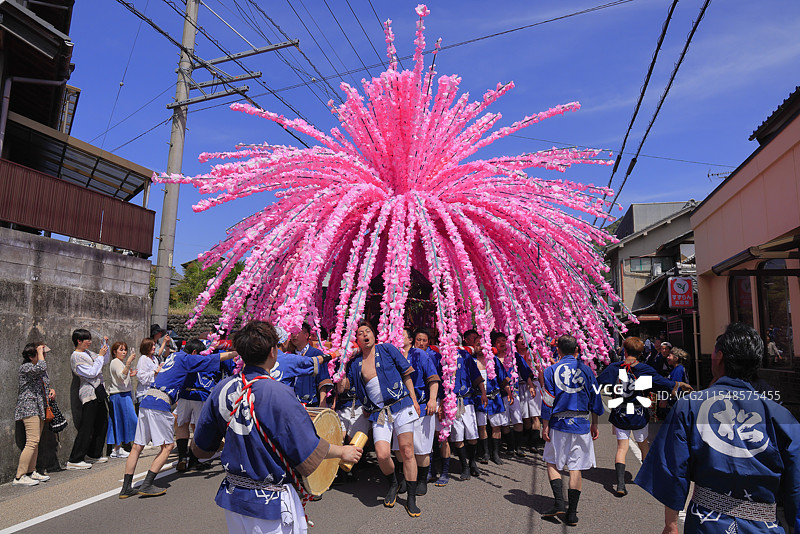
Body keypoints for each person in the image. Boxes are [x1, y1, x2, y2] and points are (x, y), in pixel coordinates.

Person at [191, 320, 362, 534]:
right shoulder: (278, 393)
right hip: (269, 502)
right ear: (273, 351)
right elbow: (307, 447)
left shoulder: (222, 389)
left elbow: (202, 447)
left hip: (234, 497)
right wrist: (343, 451)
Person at [636, 323, 800, 534]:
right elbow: (796, 486)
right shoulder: (781, 415)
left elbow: (673, 470)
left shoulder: (690, 405)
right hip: (765, 526)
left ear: (720, 356)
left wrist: (671, 523)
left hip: (707, 523)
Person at [118, 338, 236, 498]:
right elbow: (211, 359)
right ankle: (147, 484)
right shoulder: (187, 358)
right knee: (167, 447)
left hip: (147, 400)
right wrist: (236, 352)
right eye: (198, 355)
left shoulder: (173, 357)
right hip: (160, 403)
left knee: (137, 446)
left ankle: (126, 488)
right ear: (194, 353)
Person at [338, 320, 422, 517]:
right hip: (378, 412)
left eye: (368, 330)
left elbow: (406, 374)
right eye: (360, 332)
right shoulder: (355, 362)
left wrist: (414, 399)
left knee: (407, 450)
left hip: (401, 405)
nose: (365, 334)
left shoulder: (387, 349)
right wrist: (340, 368)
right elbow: (346, 386)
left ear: (374, 335)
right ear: (356, 339)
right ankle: (393, 483)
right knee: (382, 454)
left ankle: (411, 498)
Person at [596, 337, 692, 496]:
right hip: (639, 413)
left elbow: (598, 383)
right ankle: (650, 478)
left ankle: (620, 484)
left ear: (624, 351)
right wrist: (678, 385)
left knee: (622, 447)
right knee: (643, 445)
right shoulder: (645, 369)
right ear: (640, 353)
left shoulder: (614, 367)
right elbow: (662, 382)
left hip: (621, 412)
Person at [541, 334, 604, 526]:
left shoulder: (550, 370)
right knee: (575, 467)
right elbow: (596, 398)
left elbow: (547, 401)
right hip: (581, 423)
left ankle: (559, 502)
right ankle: (572, 513)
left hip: (559, 423)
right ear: (577, 350)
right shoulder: (586, 371)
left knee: (551, 462)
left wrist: (545, 426)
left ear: (557, 350)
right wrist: (595, 422)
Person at [395, 327, 439, 494]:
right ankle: (406, 478)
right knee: (400, 449)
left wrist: (433, 399)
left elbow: (433, 378)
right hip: (399, 408)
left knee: (421, 448)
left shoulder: (420, 355)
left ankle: (422, 480)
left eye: (402, 335)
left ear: (410, 340)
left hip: (420, 406)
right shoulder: (393, 355)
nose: (399, 338)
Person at [68, 329, 111, 469]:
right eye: (86, 339)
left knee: (102, 422)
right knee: (86, 425)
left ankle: (93, 454)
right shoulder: (76, 356)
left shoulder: (88, 353)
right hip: (88, 392)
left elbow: (104, 361)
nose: (89, 342)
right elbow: (92, 372)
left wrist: (105, 346)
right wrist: (100, 356)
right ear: (78, 341)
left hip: (98, 391)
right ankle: (75, 459)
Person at [14, 343, 54, 486]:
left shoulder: (37, 368)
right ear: (31, 356)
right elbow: (41, 367)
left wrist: (51, 390)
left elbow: (43, 380)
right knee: (32, 441)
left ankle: (31, 471)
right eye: (41, 354)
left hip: (39, 406)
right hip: (29, 407)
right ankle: (20, 475)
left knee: (36, 441)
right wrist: (39, 351)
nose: (44, 357)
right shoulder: (26, 367)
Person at [445, 338, 485, 481]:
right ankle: (464, 466)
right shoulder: (443, 357)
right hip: (452, 402)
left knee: (472, 434)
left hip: (467, 400)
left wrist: (483, 392)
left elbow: (476, 375)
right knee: (458, 435)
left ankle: (472, 461)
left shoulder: (465, 355)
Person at [472, 334, 510, 465]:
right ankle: (485, 453)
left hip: (494, 398)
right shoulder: (471, 361)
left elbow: (504, 378)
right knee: (481, 426)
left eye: (482, 345)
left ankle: (495, 453)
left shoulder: (493, 360)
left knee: (496, 427)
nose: (480, 347)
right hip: (478, 398)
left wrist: (509, 392)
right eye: (478, 344)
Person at [106, 342, 138, 459]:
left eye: (125, 350)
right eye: (121, 350)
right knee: (127, 420)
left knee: (123, 421)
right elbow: (121, 376)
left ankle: (118, 448)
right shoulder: (115, 362)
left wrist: (130, 373)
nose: (124, 352)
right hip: (120, 395)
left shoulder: (119, 362)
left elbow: (122, 377)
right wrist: (129, 363)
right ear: (115, 352)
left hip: (123, 394)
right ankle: (118, 448)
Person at [289, 323, 333, 407]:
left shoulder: (317, 353)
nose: (293, 336)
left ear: (306, 335)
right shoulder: (290, 355)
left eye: (297, 332)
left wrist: (322, 403)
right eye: (292, 333)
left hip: (311, 403)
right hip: (293, 404)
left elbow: (323, 380)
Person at [514, 333, 544, 452]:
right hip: (520, 386)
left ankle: (534, 442)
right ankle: (526, 438)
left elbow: (540, 370)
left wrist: (542, 386)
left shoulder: (533, 353)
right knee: (525, 416)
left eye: (524, 338)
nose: (522, 340)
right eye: (520, 338)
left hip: (535, 384)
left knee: (535, 415)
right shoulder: (513, 354)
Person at [135, 338, 162, 410]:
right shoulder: (143, 359)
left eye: (154, 345)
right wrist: (155, 372)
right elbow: (142, 377)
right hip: (144, 394)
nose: (154, 347)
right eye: (152, 345)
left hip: (154, 393)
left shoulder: (155, 359)